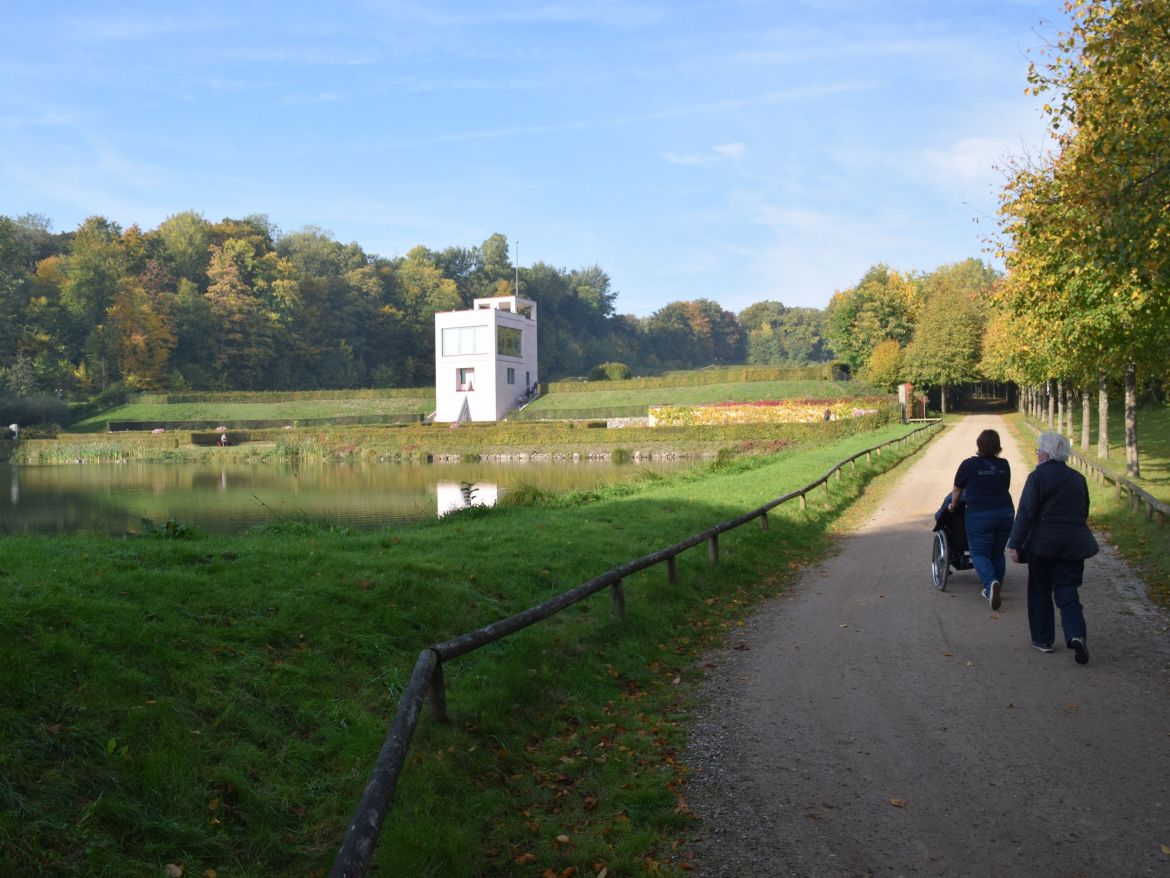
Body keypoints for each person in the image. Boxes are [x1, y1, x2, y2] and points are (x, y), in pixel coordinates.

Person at [1007, 431, 1098, 663]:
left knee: (1039, 590)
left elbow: (1026, 513)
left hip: (1043, 543)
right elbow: (1083, 511)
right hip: (1073, 543)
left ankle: (1043, 639)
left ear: (1045, 453)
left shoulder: (1037, 477)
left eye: (1038, 451)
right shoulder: (1077, 478)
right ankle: (1076, 634)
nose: (1037, 454)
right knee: (1067, 590)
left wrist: (1015, 543)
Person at [949, 428, 1014, 609]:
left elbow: (957, 490)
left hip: (980, 514)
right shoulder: (1004, 464)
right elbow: (1005, 486)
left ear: (979, 445)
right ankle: (995, 586)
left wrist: (953, 507)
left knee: (979, 553)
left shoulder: (968, 465)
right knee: (997, 553)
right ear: (998, 446)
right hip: (1005, 512)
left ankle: (990, 584)